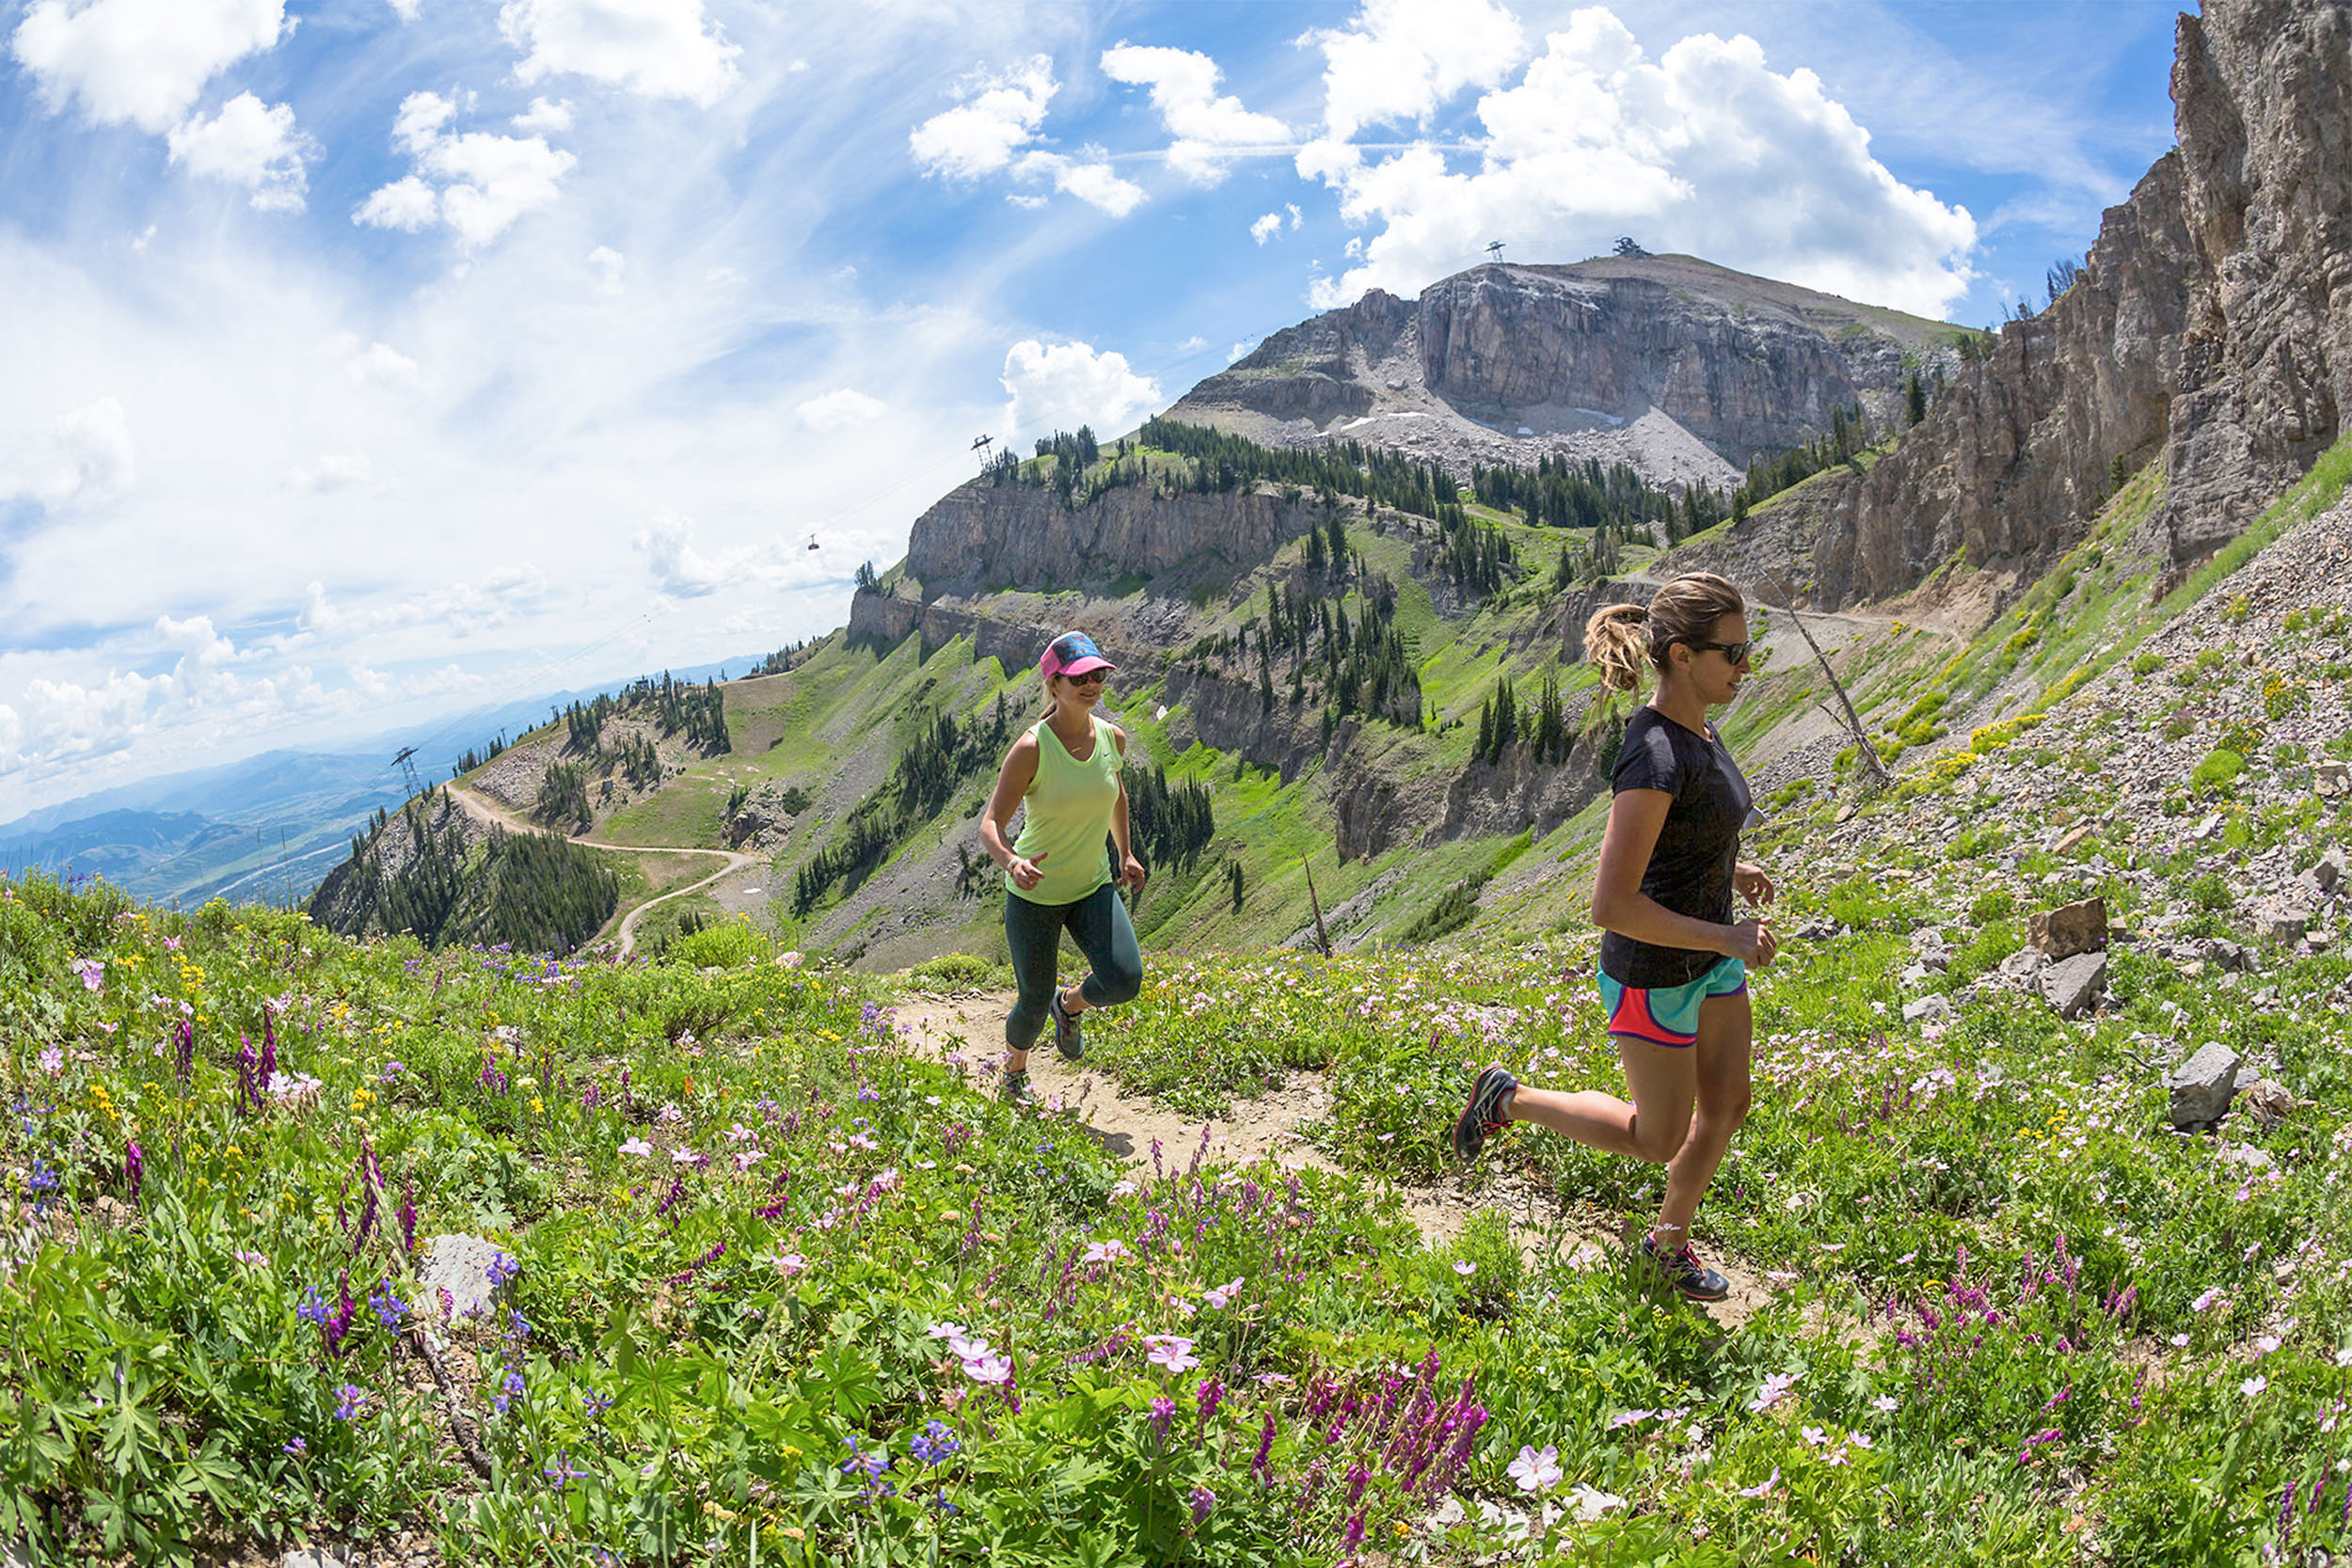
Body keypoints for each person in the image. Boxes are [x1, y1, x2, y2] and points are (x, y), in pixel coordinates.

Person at [1451, 573, 1775, 1302]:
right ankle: (1508, 1099)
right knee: (1656, 1137)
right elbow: (1611, 903)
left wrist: (1734, 865)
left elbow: (1683, 831)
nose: (1746, 665)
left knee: (1726, 1105)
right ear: (1684, 656)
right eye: (1735, 652)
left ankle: (1668, 1246)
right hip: (1655, 970)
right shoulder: (1653, 753)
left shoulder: (1701, 726)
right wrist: (1726, 937)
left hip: (1709, 953)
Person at [977, 630, 1148, 1103]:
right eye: (1079, 678)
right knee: (1031, 1001)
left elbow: (1116, 796)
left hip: (1092, 885)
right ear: (1054, 684)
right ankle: (1014, 1072)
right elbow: (990, 823)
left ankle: (1068, 1006)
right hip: (1036, 895)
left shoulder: (1113, 738)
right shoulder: (1032, 748)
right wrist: (1011, 862)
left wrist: (1126, 853)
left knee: (1124, 979)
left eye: (1097, 675)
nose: (1091, 685)